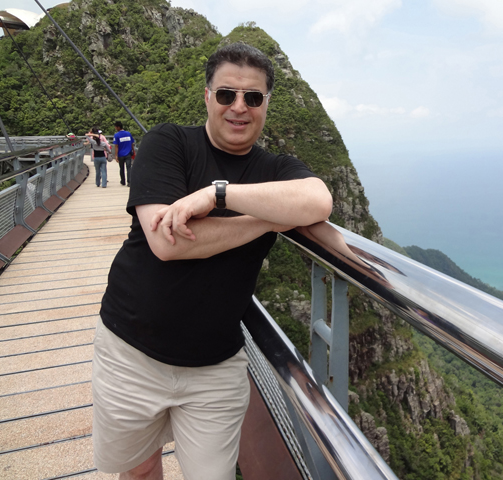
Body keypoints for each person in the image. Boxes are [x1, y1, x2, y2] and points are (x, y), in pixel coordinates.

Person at [93, 42, 333, 480]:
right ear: (207, 96)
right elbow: (168, 243)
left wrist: (217, 195)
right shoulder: (169, 142)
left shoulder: (275, 168)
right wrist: (267, 219)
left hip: (215, 366)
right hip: (130, 349)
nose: (239, 107)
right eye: (226, 94)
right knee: (139, 469)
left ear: (266, 104)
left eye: (253, 97)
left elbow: (318, 200)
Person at [112, 120, 135, 186]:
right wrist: (133, 151)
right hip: (128, 153)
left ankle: (123, 181)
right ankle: (129, 181)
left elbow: (116, 146)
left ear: (118, 127)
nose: (115, 128)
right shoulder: (128, 133)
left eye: (116, 127)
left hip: (121, 154)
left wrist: (116, 155)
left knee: (122, 168)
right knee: (129, 168)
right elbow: (132, 143)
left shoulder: (116, 135)